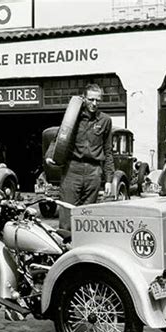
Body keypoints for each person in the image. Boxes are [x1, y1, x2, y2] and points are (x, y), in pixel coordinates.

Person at [47, 83, 115, 230]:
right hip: (73, 169)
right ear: (84, 99)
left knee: (87, 216)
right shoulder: (72, 118)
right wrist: (50, 155)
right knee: (67, 214)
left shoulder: (105, 121)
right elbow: (58, 138)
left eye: (98, 100)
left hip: (94, 171)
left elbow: (108, 151)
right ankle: (65, 250)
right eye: (91, 99)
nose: (94, 104)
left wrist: (109, 179)